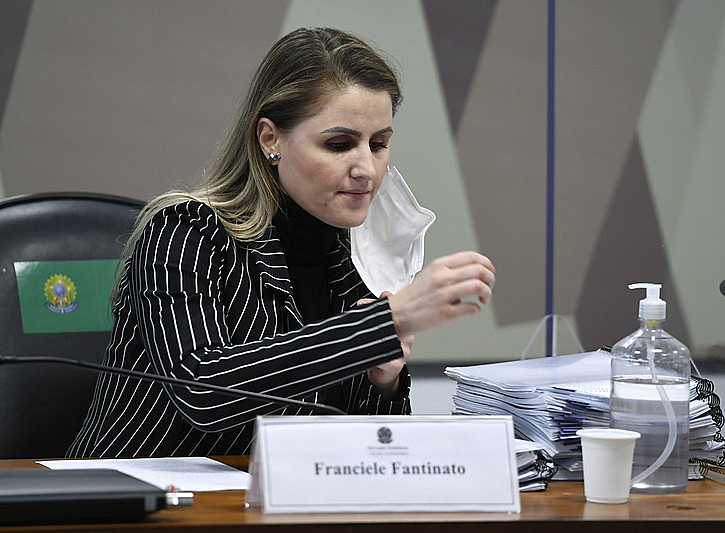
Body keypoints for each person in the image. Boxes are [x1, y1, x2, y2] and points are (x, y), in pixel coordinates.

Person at [68, 27, 495, 458]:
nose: (367, 169)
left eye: (379, 144)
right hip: (136, 493)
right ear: (270, 139)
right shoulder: (184, 231)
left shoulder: (360, 262)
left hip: (279, 496)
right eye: (339, 144)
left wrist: (384, 382)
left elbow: (374, 455)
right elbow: (203, 392)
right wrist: (382, 324)